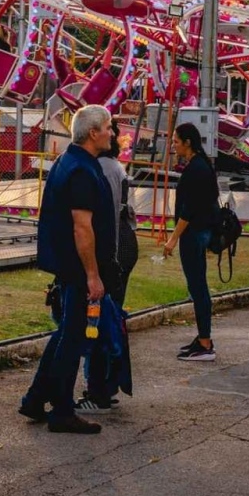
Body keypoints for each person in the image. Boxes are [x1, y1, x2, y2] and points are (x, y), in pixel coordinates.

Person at [19, 104, 116, 434]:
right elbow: (82, 227)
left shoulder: (69, 161)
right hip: (78, 269)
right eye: (109, 128)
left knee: (64, 335)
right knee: (73, 340)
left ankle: (35, 398)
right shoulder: (82, 171)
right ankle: (62, 410)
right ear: (93, 133)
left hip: (67, 265)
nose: (112, 134)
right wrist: (93, 274)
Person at [77, 119, 137, 414]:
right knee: (110, 318)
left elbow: (104, 219)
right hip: (125, 243)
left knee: (97, 319)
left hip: (114, 248)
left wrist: (100, 265)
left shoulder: (101, 168)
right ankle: (108, 384)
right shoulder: (115, 167)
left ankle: (96, 389)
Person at [162, 122, 220, 362]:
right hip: (199, 232)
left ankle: (205, 342)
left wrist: (173, 239)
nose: (173, 145)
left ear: (187, 142)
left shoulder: (197, 169)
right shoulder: (200, 165)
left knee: (198, 287)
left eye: (176, 141)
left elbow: (189, 209)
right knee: (197, 286)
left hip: (194, 233)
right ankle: (203, 338)